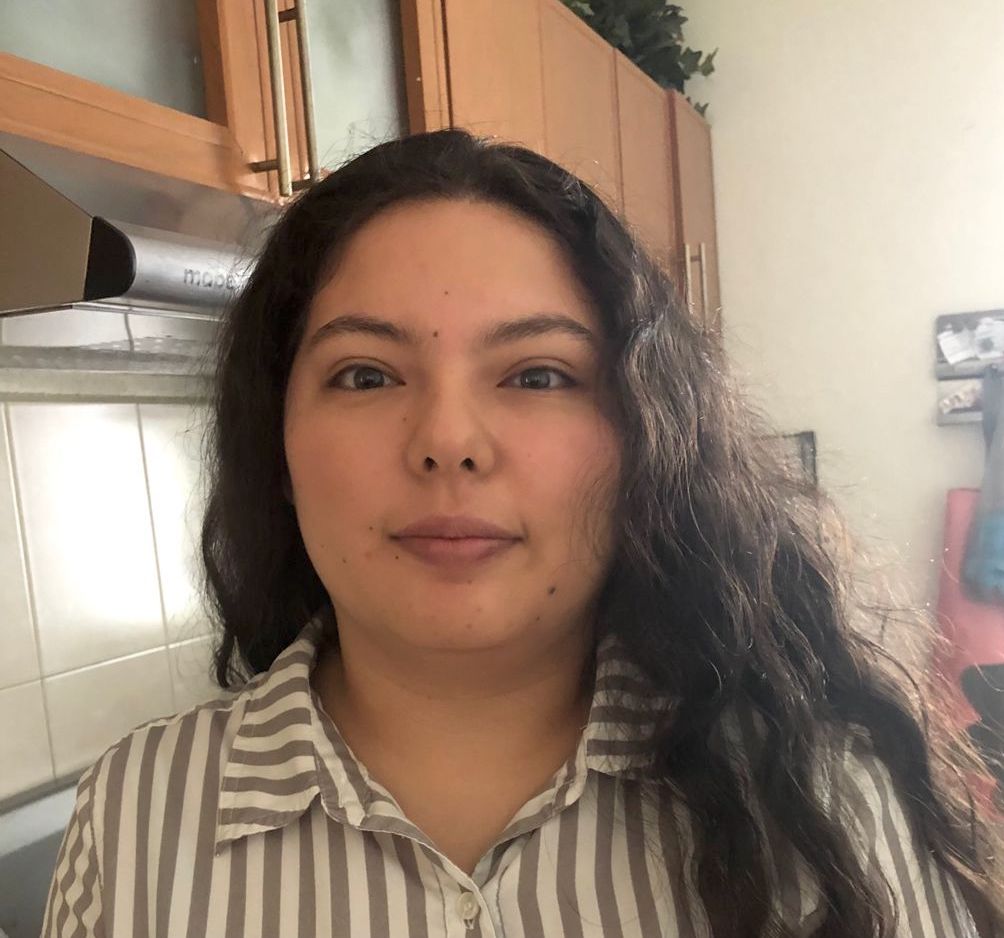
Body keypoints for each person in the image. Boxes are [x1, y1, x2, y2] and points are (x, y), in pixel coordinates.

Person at [43, 129, 1001, 938]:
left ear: (643, 440)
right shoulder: (137, 817)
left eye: (538, 375)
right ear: (278, 447)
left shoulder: (828, 806)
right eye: (366, 375)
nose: (448, 441)